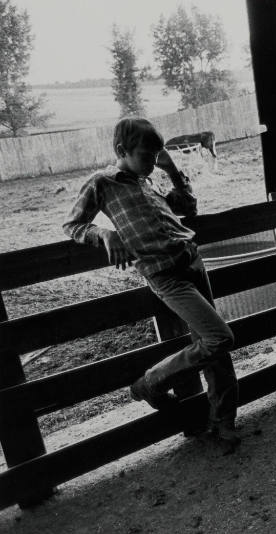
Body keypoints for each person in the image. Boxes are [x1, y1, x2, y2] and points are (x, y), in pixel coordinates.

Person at [63, 117, 240, 450]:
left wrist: (172, 172)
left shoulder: (148, 181)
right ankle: (150, 383)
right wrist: (103, 232)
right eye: (146, 155)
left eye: (156, 155)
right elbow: (72, 225)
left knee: (215, 349)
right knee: (219, 338)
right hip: (165, 276)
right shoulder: (103, 183)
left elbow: (186, 207)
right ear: (121, 150)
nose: (151, 162)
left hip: (192, 262)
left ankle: (223, 421)